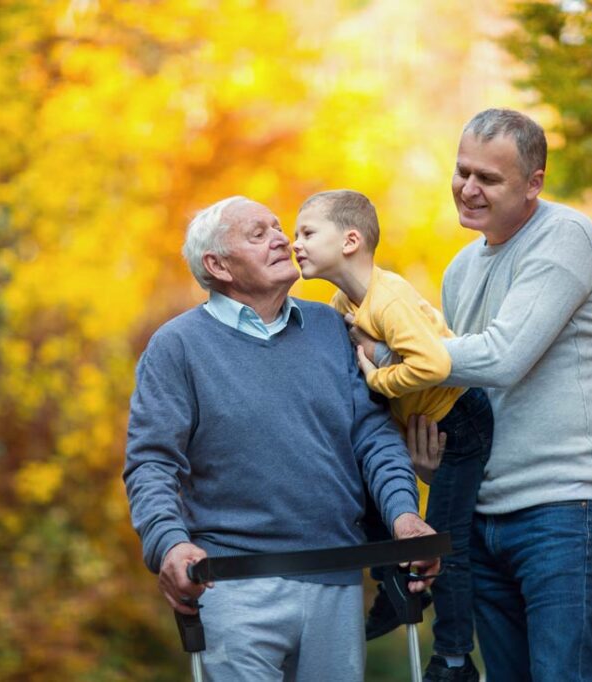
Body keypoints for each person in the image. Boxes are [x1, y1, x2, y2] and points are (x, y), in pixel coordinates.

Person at [352, 108, 592, 681]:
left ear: (534, 182)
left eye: (489, 179)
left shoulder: (565, 237)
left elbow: (503, 356)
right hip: (479, 517)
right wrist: (434, 463)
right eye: (462, 171)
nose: (468, 189)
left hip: (561, 512)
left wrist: (391, 358)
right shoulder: (459, 269)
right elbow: (465, 398)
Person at [123, 196, 439, 682]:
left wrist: (404, 515)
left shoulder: (332, 328)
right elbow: (151, 463)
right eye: (258, 234)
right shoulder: (177, 347)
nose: (282, 239)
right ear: (217, 265)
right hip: (231, 587)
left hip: (337, 578)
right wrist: (169, 545)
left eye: (279, 227)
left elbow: (373, 436)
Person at [292, 189, 493, 682]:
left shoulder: (389, 299)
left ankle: (453, 659)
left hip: (460, 416)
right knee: (365, 493)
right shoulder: (346, 300)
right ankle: (391, 587)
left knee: (445, 539)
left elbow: (435, 363)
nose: (294, 243)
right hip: (425, 419)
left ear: (350, 240)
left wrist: (380, 379)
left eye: (306, 233)